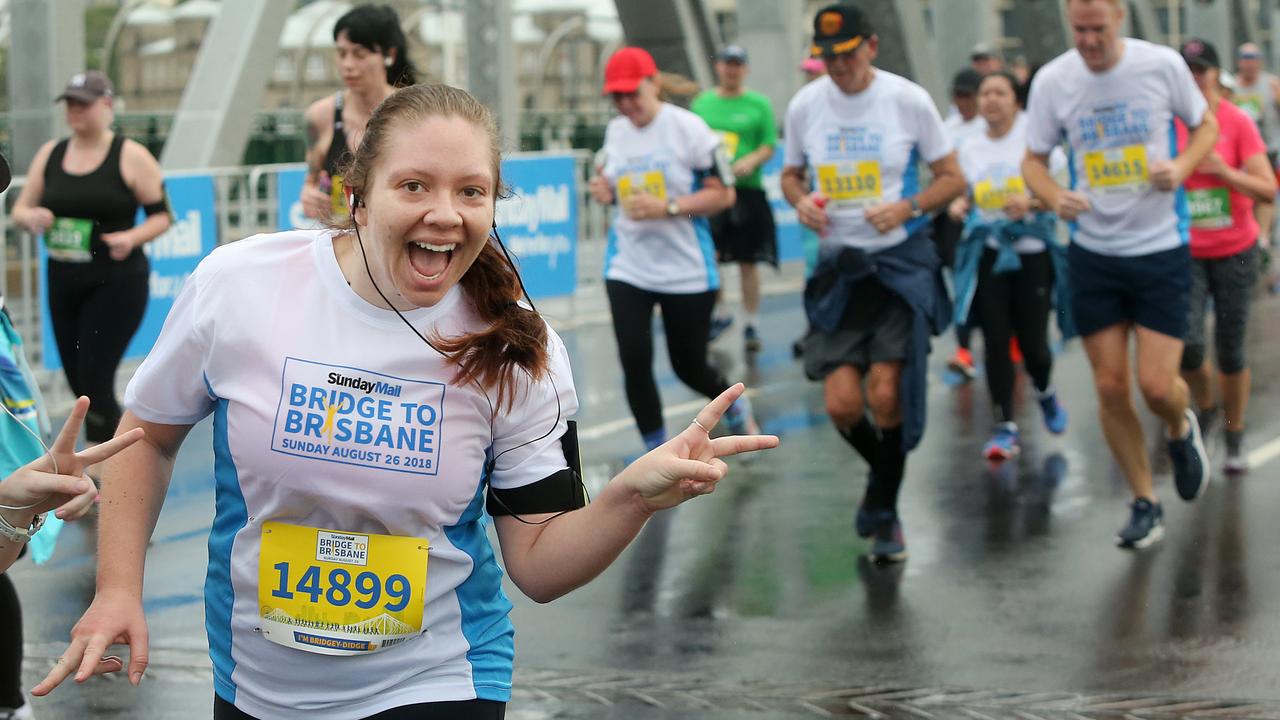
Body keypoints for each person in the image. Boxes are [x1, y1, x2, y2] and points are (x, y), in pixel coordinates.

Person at [32, 83, 778, 718]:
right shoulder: (242, 285)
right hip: (257, 682)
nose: (445, 215)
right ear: (357, 193)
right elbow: (150, 435)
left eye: (470, 192)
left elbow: (540, 568)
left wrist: (630, 498)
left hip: (438, 676)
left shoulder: (517, 347)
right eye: (414, 186)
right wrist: (119, 588)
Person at [1022, 0, 1219, 549]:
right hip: (1093, 250)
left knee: (1157, 387)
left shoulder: (1159, 66)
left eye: (1097, 29)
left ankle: (1180, 427)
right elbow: (1032, 160)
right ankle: (1143, 500)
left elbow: (1206, 125)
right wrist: (1054, 195)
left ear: (1120, 18)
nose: (1087, 40)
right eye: (1078, 29)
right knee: (1110, 386)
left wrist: (1180, 168)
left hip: (1159, 248)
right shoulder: (1054, 81)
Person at [782, 3, 964, 562]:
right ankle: (882, 484)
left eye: (848, 56)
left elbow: (953, 178)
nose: (839, 68)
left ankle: (885, 510)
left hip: (897, 264)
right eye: (829, 59)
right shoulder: (806, 105)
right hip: (840, 270)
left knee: (886, 393)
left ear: (872, 46)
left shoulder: (907, 100)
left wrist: (908, 207)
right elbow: (792, 176)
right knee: (840, 404)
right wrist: (801, 205)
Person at [590, 47, 761, 452]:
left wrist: (669, 207)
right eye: (617, 97)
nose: (626, 104)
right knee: (634, 360)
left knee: (689, 367)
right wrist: (606, 192)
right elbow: (614, 186)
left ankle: (734, 408)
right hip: (629, 266)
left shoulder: (690, 129)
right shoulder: (617, 132)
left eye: (632, 93)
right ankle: (655, 450)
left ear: (653, 83)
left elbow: (724, 195)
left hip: (686, 268)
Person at [11, 70, 171, 453]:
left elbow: (162, 215)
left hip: (116, 280)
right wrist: (31, 217)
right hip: (64, 278)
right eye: (70, 103)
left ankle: (104, 466)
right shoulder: (51, 153)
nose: (75, 111)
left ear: (107, 105)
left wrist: (130, 237)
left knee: (95, 379)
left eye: (83, 103)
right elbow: (20, 207)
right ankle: (117, 457)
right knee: (77, 381)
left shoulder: (130, 155)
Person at [949, 71, 1071, 461]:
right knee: (996, 342)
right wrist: (960, 206)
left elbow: (1064, 192)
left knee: (1034, 346)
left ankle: (1046, 392)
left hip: (1032, 251)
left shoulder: (1036, 140)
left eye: (1000, 92)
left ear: (1016, 101)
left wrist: (1033, 204)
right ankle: (1004, 426)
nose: (991, 100)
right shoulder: (969, 146)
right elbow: (964, 194)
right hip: (990, 252)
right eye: (985, 92)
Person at [1177, 38, 1275, 474]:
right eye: (1187, 70)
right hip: (1185, 251)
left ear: (1217, 74)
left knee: (1231, 350)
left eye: (1201, 69)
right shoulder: (1168, 123)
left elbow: (1267, 188)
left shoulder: (1237, 121)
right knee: (1189, 345)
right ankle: (1206, 407)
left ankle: (1234, 433)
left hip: (1236, 250)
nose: (1195, 78)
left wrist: (1224, 172)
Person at [692, 44, 779, 351]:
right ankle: (721, 312)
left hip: (747, 190)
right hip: (713, 190)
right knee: (710, 255)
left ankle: (751, 324)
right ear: (719, 68)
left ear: (745, 69)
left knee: (747, 261)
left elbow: (769, 144)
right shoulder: (703, 103)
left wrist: (751, 161)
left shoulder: (759, 104)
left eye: (737, 64)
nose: (732, 69)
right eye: (727, 64)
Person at [300, 4, 416, 221]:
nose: (348, 65)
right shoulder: (320, 116)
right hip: (340, 240)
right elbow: (311, 184)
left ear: (388, 54)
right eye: (342, 53)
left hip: (397, 237)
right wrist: (310, 197)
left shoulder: (414, 109)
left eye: (359, 54)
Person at [939, 68, 986, 379]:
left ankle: (1009, 342)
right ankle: (964, 349)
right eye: (958, 96)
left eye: (969, 96)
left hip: (991, 221)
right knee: (962, 285)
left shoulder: (991, 125)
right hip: (958, 220)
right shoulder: (947, 128)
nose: (963, 102)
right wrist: (952, 202)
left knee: (990, 288)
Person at [1233, 42, 1280, 252]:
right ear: (1239, 61)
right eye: (1245, 57)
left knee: (1266, 193)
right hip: (1241, 153)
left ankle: (1262, 238)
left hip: (1268, 148)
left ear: (1259, 61)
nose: (1249, 62)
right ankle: (1249, 235)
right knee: (1245, 194)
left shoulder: (1271, 85)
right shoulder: (1232, 86)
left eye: (1253, 57)